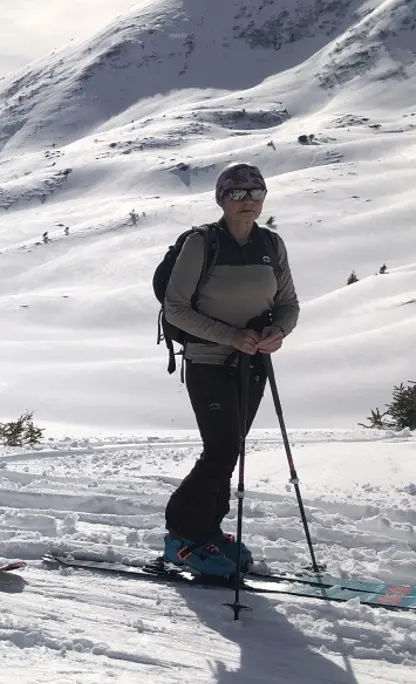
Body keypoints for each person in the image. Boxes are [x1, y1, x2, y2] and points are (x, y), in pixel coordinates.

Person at [161, 163, 300, 577]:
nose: (248, 201)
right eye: (238, 193)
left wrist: (278, 330)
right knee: (221, 449)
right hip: (208, 361)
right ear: (221, 199)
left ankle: (207, 530)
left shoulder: (270, 245)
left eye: (256, 192)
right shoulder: (204, 243)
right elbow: (176, 309)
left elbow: (289, 303)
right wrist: (230, 336)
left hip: (253, 361)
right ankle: (182, 536)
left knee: (229, 449)